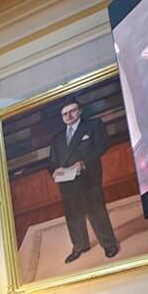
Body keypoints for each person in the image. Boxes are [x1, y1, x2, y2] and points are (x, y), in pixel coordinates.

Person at [49, 99, 119, 263]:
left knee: (96, 212)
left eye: (72, 111)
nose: (68, 115)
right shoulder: (57, 138)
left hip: (89, 175)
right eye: (65, 114)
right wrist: (54, 170)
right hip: (66, 181)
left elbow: (103, 145)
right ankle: (79, 246)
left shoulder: (93, 125)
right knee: (73, 216)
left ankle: (109, 245)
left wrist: (85, 162)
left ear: (79, 111)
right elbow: (52, 161)